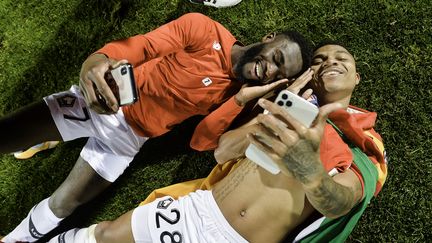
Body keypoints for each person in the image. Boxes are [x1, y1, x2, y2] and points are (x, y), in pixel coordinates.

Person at [0, 13, 312, 243]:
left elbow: (201, 142)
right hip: (106, 99)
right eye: (277, 57)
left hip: (127, 139)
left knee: (64, 203)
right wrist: (97, 60)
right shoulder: (204, 30)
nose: (268, 69)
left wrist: (241, 99)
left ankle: (14, 241)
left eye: (277, 74)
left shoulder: (236, 96)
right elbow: (143, 47)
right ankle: (51, 137)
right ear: (269, 37)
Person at [43, 43, 387, 243]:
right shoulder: (283, 108)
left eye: (341, 58)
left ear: (356, 77)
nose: (330, 62)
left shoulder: (361, 141)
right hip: (197, 210)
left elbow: (341, 202)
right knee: (102, 236)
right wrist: (274, 112)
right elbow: (222, 150)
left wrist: (311, 171)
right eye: (320, 59)